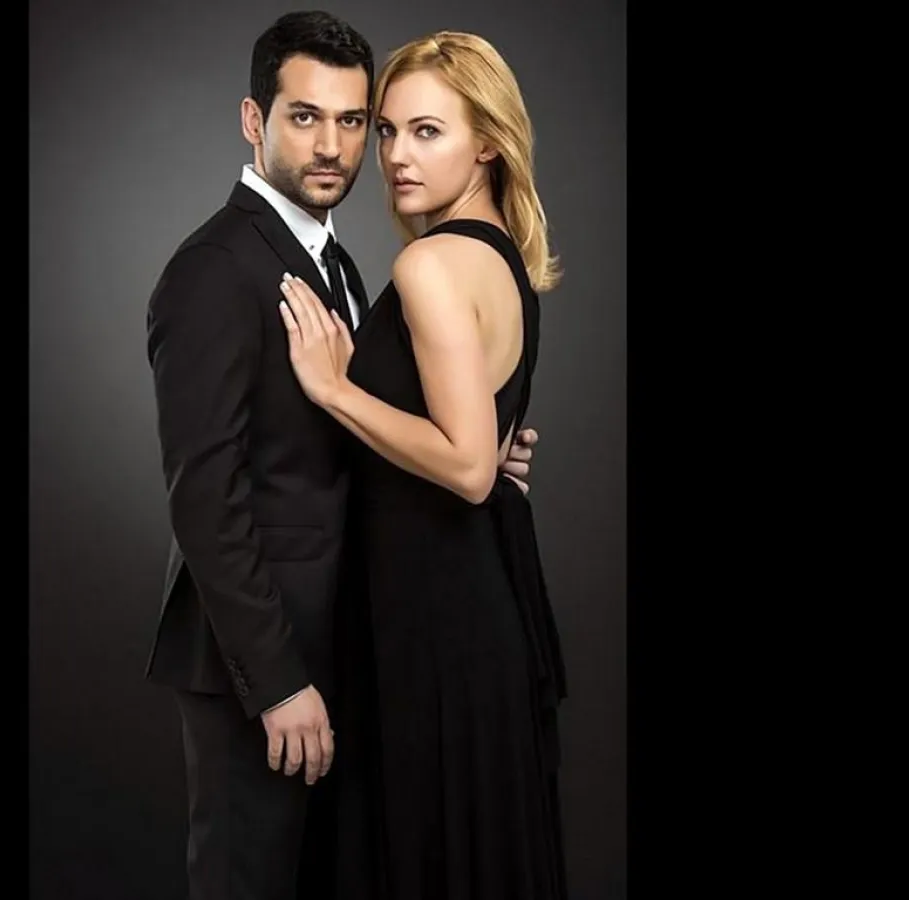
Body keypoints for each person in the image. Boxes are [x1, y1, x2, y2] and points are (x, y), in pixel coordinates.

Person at [143, 13, 539, 900]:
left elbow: (352, 443)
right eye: (304, 116)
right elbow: (205, 499)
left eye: (354, 121)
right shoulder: (214, 269)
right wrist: (278, 684)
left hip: (354, 645)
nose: (334, 146)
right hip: (264, 665)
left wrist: (475, 451)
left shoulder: (342, 264)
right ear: (254, 120)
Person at [275, 30, 570, 900]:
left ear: (488, 143)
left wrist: (336, 390)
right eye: (389, 130)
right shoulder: (499, 260)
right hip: (465, 609)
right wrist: (488, 451)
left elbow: (469, 469)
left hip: (437, 623)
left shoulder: (433, 262)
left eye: (427, 132)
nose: (396, 156)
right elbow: (481, 445)